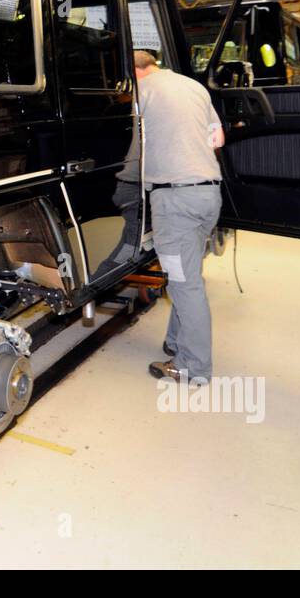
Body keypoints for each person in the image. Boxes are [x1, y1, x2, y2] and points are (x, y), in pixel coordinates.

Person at [97, 50, 224, 384]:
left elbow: (136, 150)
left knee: (185, 285)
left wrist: (117, 181)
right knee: (189, 276)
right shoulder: (193, 87)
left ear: (134, 73)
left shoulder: (143, 93)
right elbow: (217, 138)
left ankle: (193, 367)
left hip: (175, 201)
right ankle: (176, 343)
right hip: (208, 194)